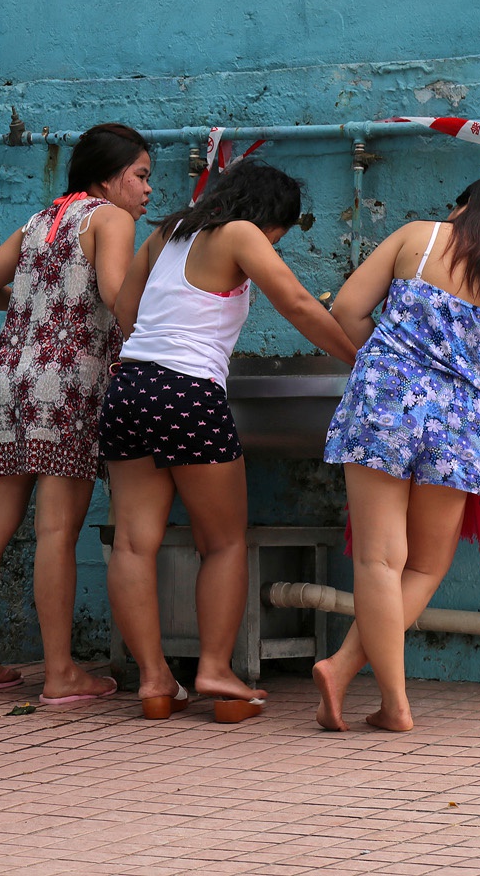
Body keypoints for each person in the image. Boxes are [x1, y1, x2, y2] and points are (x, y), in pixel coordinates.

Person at [101, 160, 358, 723]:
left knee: (131, 544)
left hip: (129, 387)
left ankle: (153, 681)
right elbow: (296, 302)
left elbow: (124, 309)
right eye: (280, 235)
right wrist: (359, 360)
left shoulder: (165, 233)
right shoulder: (241, 233)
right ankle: (215, 669)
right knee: (220, 542)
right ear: (269, 218)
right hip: (188, 391)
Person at [316, 172, 480, 732]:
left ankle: (386, 698)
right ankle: (359, 681)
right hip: (462, 424)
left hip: (385, 401)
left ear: (464, 206)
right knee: (425, 564)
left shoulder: (417, 238)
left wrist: (388, 361)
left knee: (379, 559)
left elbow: (347, 310)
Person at [0, 123, 152, 704]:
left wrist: (30, 305)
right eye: (140, 176)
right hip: (67, 384)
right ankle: (62, 673)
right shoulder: (111, 219)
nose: (146, 191)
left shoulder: (42, 220)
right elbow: (116, 296)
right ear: (107, 178)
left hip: (10, 383)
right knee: (57, 531)